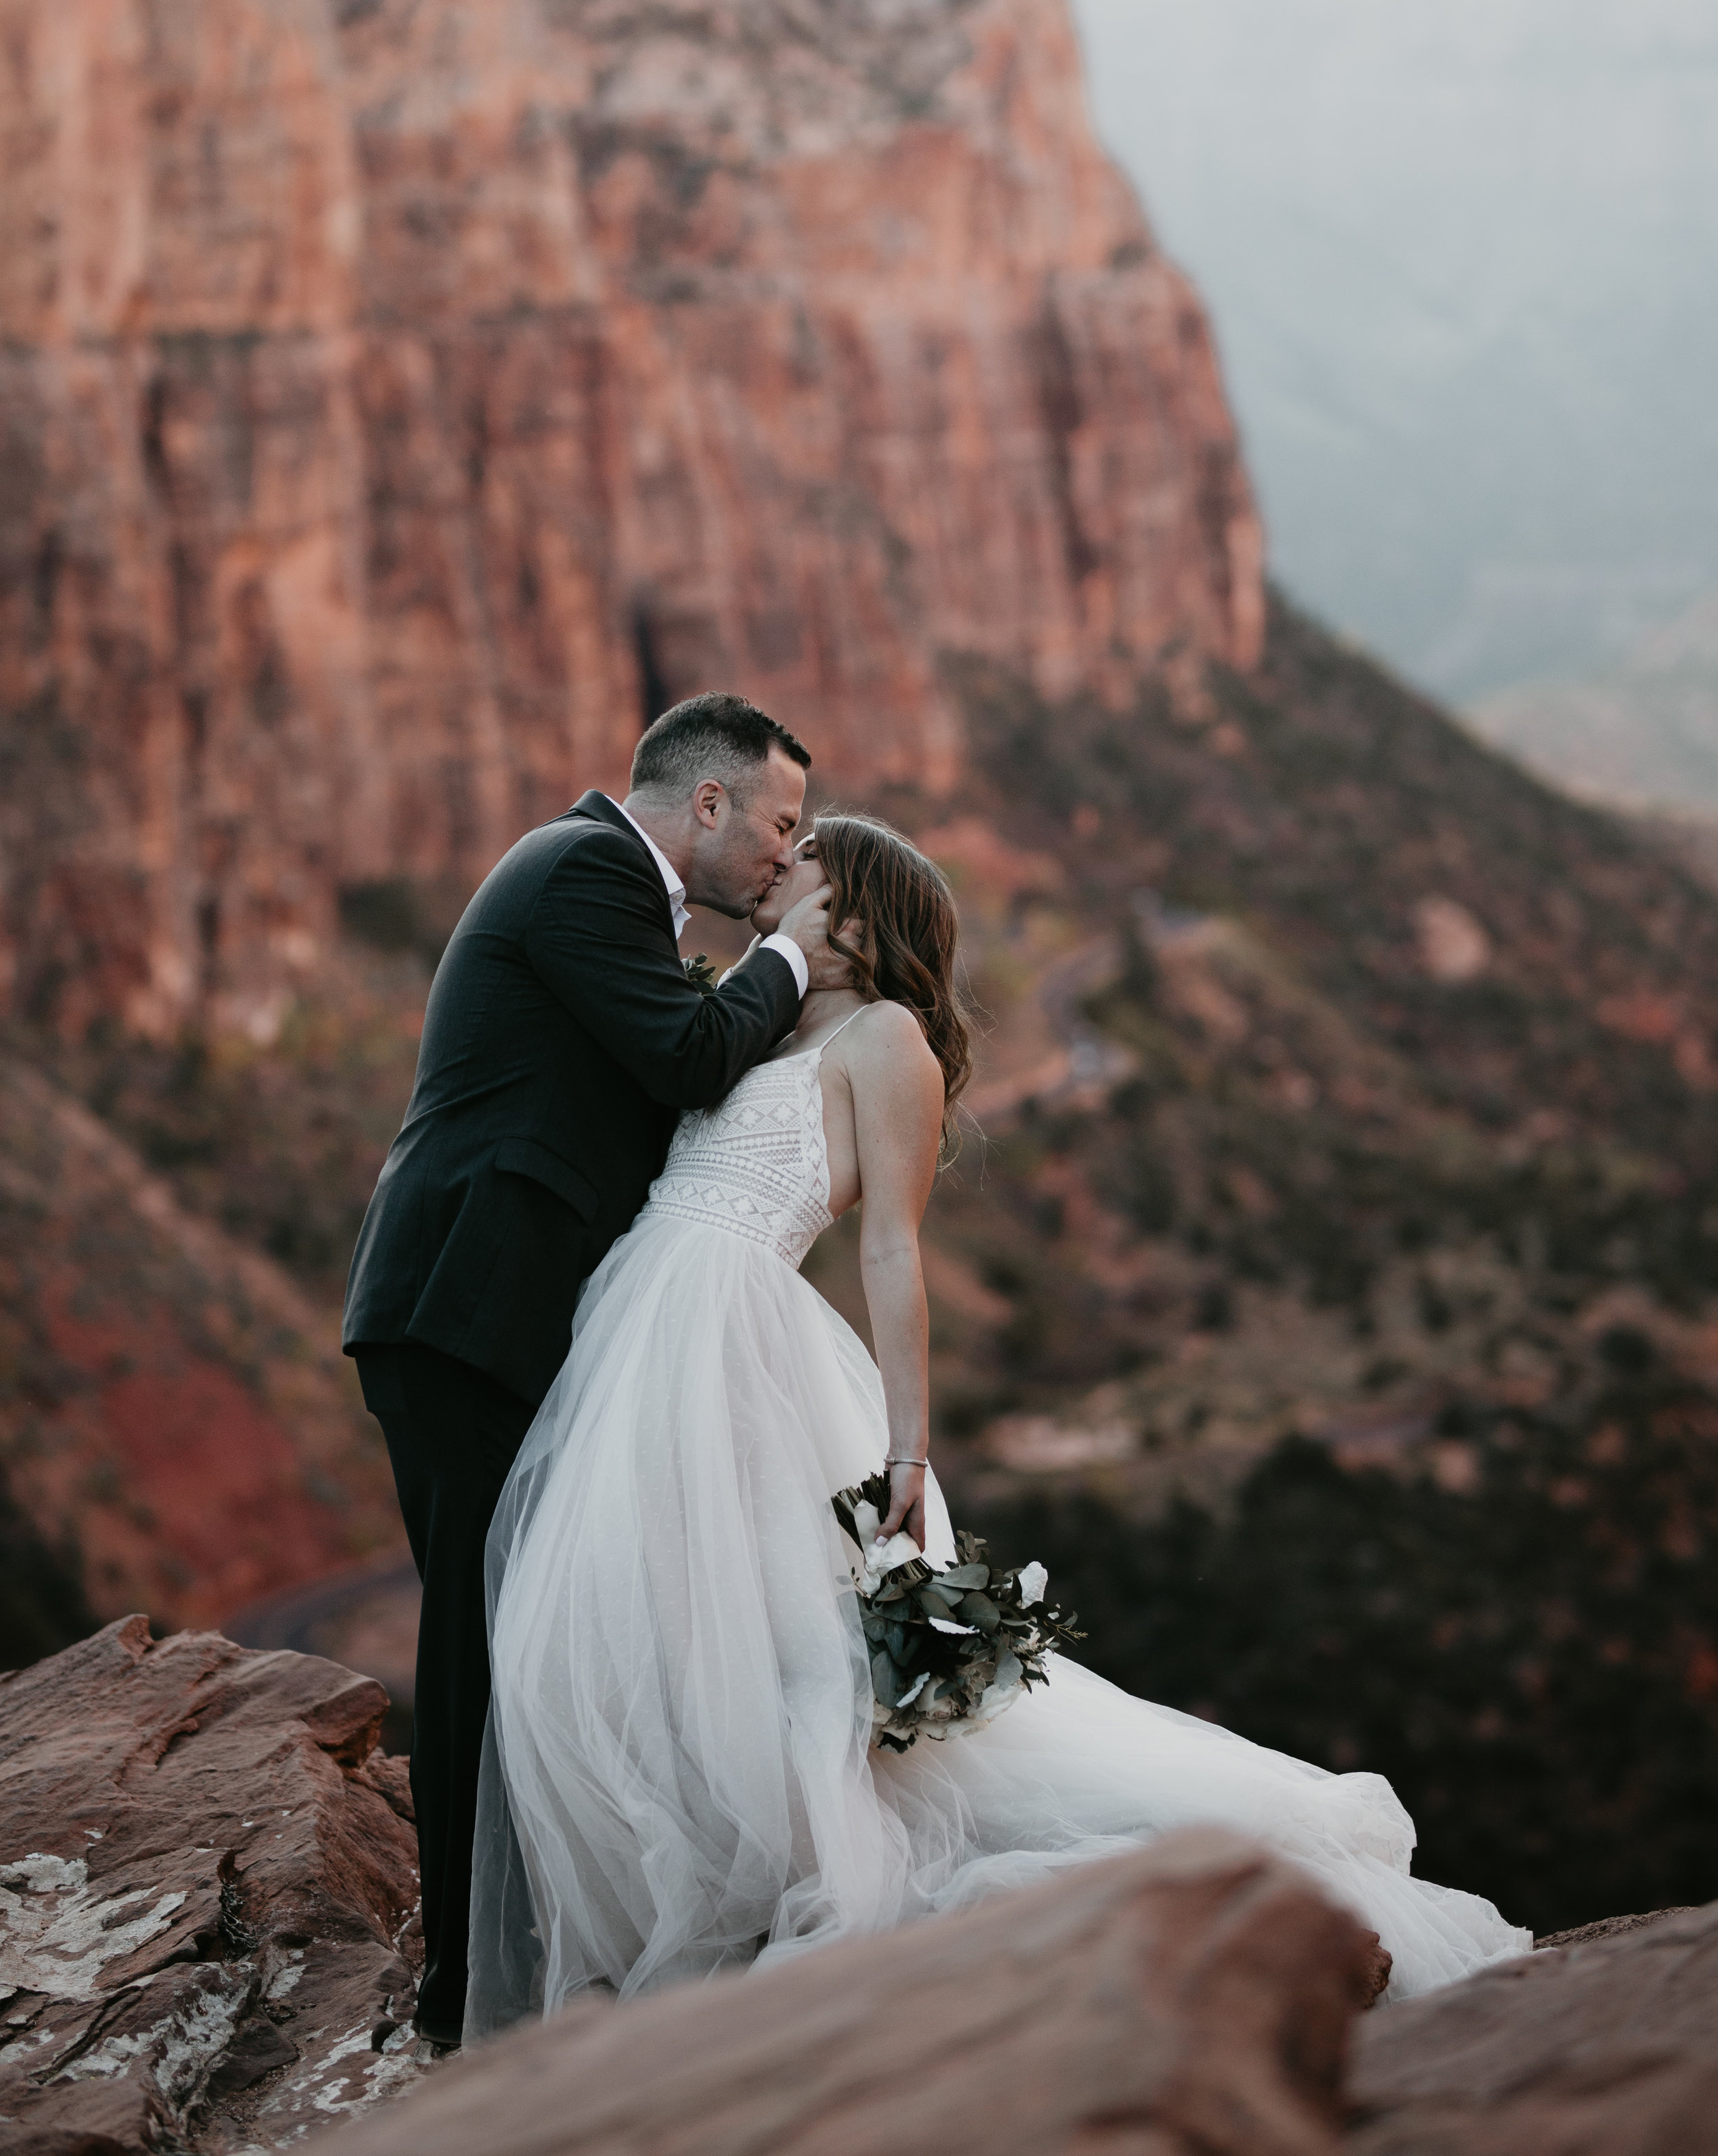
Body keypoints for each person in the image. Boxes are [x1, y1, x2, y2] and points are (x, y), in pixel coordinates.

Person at [468, 815, 1530, 2033]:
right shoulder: (757, 1017)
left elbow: (891, 1253)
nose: (780, 864)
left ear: (856, 910)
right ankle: (692, 1883)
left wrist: (909, 1451)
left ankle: (789, 1889)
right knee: (642, 1620)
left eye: (803, 856)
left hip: (733, 1343)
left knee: (795, 1654)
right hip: (638, 1328)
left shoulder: (888, 1040)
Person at [342, 691, 831, 2047]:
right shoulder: (588, 872)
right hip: (463, 1310)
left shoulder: (602, 885)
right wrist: (792, 958)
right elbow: (683, 1062)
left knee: (541, 1630)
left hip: (495, 1314)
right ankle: (463, 1992)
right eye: (777, 826)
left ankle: (537, 1941)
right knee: (482, 1641)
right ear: (709, 804)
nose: (782, 860)